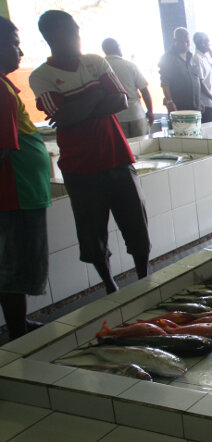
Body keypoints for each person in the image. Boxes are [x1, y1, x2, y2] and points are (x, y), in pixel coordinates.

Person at [29, 10, 150, 294]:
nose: (77, 35)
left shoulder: (96, 62)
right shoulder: (41, 77)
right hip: (80, 169)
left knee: (136, 224)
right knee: (92, 234)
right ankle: (110, 286)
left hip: (117, 157)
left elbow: (119, 100)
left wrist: (80, 106)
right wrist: (97, 93)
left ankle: (145, 278)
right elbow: (64, 116)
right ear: (53, 36)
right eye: (71, 30)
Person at [0, 17, 51, 340]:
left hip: (23, 190)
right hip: (14, 193)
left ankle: (20, 323)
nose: (19, 51)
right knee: (13, 265)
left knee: (15, 263)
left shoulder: (5, 85)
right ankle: (17, 330)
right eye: (12, 43)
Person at [101, 38, 153, 138]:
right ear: (118, 48)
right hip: (136, 114)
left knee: (122, 151)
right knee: (143, 149)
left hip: (115, 118)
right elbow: (144, 90)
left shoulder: (101, 68)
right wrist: (150, 111)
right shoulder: (130, 65)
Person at [158, 27, 201, 113]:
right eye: (182, 41)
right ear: (175, 40)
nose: (185, 44)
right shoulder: (167, 58)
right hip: (178, 108)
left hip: (195, 107)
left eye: (187, 41)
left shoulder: (191, 57)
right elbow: (164, 82)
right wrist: (170, 101)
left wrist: (199, 100)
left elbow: (196, 80)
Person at [192, 32, 212, 123]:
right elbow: (201, 83)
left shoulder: (204, 57)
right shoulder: (197, 58)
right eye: (208, 42)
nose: (209, 45)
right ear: (202, 43)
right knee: (208, 131)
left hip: (211, 101)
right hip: (206, 103)